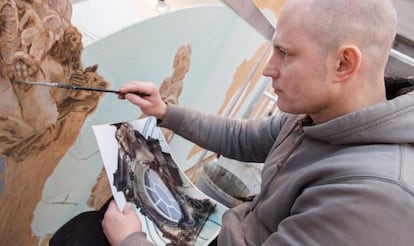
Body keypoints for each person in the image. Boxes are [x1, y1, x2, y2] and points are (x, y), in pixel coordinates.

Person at [102, 0, 414, 245]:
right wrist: (164, 111)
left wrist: (132, 240)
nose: (268, 68)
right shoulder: (320, 114)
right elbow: (242, 138)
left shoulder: (373, 197)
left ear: (343, 63)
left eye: (285, 53)